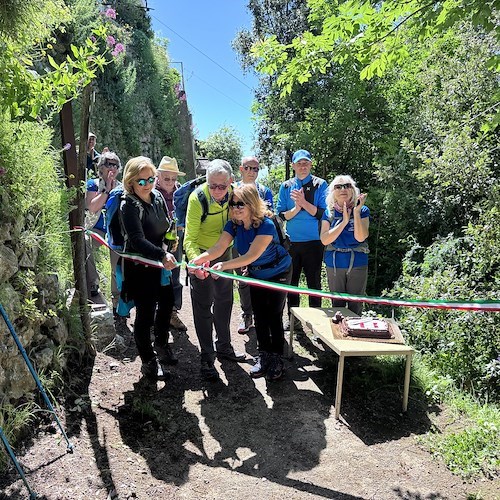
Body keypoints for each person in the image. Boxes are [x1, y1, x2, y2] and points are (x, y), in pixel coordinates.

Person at [194, 184, 292, 381]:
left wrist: (225, 265)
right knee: (259, 315)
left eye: (241, 203)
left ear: (252, 204)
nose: (236, 207)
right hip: (256, 273)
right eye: (233, 203)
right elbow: (219, 246)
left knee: (273, 315)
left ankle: (276, 359)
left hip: (278, 272)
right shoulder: (233, 225)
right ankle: (263, 356)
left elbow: (251, 255)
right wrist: (198, 259)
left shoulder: (266, 225)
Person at [184, 159, 245, 381]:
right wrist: (195, 262)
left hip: (225, 253)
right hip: (201, 254)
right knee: (202, 307)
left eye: (222, 186)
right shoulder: (197, 199)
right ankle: (207, 358)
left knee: (225, 301)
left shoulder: (236, 195)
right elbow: (188, 238)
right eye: (213, 186)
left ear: (230, 182)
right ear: (206, 181)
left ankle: (224, 346)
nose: (218, 191)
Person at [119, 156, 178, 381]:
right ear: (131, 182)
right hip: (140, 266)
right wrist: (163, 254)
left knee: (167, 304)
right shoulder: (129, 205)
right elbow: (136, 240)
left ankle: (162, 344)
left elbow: (165, 224)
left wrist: (170, 242)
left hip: (160, 264)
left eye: (151, 179)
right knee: (144, 314)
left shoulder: (158, 197)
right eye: (141, 181)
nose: (147, 184)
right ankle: (148, 361)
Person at [276, 149, 327, 328]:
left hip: (314, 242)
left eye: (306, 163)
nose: (303, 166)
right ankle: (293, 320)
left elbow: (322, 213)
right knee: (292, 282)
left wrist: (303, 203)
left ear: (311, 164)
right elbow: (281, 215)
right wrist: (298, 208)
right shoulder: (286, 186)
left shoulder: (321, 185)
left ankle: (316, 322)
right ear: (293, 166)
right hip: (292, 243)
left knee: (314, 283)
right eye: (299, 163)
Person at [234, 155, 274, 335]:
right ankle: (247, 314)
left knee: (262, 279)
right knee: (243, 280)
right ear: (241, 169)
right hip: (239, 242)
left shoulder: (265, 191)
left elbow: (270, 214)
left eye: (255, 169)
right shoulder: (232, 189)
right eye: (248, 168)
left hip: (260, 243)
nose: (252, 172)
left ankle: (263, 316)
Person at [320, 175, 369, 315]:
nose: (343, 189)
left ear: (353, 190)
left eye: (347, 186)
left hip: (357, 262)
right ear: (333, 192)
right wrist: (344, 222)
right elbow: (324, 239)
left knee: (356, 304)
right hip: (335, 263)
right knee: (337, 306)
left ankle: (355, 335)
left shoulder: (363, 210)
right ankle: (337, 334)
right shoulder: (328, 213)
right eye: (338, 186)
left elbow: (361, 237)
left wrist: (356, 212)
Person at [155, 156, 188, 332]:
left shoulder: (182, 193)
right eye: (166, 178)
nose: (170, 182)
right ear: (158, 176)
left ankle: (172, 313)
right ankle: (154, 315)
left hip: (176, 239)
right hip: (155, 240)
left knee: (175, 274)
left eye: (173, 178)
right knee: (154, 275)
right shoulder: (150, 192)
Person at [85, 152, 121, 305]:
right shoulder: (93, 184)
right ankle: (93, 284)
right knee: (85, 241)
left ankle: (117, 298)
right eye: (108, 164)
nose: (112, 168)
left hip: (115, 230)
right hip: (96, 228)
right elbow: (92, 207)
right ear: (101, 167)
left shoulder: (121, 188)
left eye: (115, 165)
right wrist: (106, 189)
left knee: (117, 263)